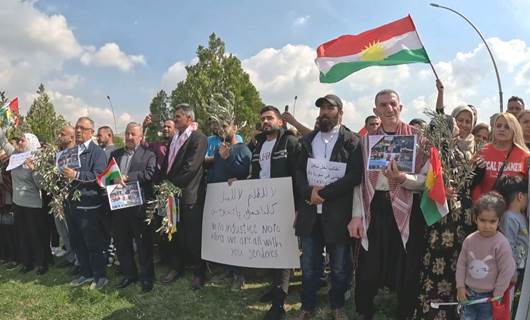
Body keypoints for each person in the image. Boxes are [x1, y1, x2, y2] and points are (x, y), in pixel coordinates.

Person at [349, 89, 428, 320]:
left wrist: (404, 179)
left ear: (401, 107)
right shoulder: (365, 143)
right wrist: (356, 215)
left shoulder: (419, 140)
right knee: (368, 262)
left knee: (406, 262)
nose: (388, 108)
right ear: (375, 111)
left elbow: (428, 180)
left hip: (407, 206)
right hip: (374, 205)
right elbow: (359, 182)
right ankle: (365, 309)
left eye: (393, 104)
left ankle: (404, 311)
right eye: (383, 105)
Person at [294, 94, 363, 320]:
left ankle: (337, 305)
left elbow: (354, 176)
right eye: (322, 108)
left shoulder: (352, 141)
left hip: (337, 216)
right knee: (310, 265)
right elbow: (298, 173)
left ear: (340, 113)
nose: (324, 112)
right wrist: (308, 193)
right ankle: (307, 305)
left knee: (340, 267)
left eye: (329, 108)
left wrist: (323, 193)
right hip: (310, 214)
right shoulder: (306, 141)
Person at [250, 105, 298, 320]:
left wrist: (298, 206)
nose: (266, 121)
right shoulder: (258, 144)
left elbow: (299, 175)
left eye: (270, 118)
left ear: (280, 121)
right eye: (263, 118)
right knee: (269, 247)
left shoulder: (290, 142)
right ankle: (275, 287)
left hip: (286, 204)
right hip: (263, 205)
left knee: (283, 252)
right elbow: (255, 173)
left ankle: (279, 304)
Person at [160, 103, 208, 289]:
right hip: (173, 194)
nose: (174, 119)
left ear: (189, 119)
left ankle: (199, 272)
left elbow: (191, 167)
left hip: (190, 195)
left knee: (193, 237)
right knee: (175, 234)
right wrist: (164, 181)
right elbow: (169, 163)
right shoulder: (175, 138)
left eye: (178, 116)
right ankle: (177, 267)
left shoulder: (198, 138)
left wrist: (170, 184)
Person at [110, 122, 156, 293]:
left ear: (140, 136)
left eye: (132, 134)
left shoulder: (148, 155)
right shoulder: (115, 154)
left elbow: (149, 174)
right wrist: (112, 178)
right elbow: (107, 175)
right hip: (119, 207)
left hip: (139, 208)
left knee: (143, 244)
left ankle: (146, 277)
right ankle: (129, 274)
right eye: (127, 134)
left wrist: (127, 177)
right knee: (122, 244)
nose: (128, 137)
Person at [64, 117, 108, 289]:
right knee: (77, 242)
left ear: (91, 131)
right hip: (72, 205)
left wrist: (76, 175)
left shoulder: (97, 152)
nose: (78, 131)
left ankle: (100, 276)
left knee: (93, 243)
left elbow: (99, 176)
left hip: (89, 206)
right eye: (76, 127)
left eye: (82, 128)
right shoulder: (72, 151)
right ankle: (86, 273)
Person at [456, 192, 516, 320]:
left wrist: (498, 293)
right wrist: (460, 287)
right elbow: (461, 265)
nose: (487, 225)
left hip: (489, 298)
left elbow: (507, 270)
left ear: (499, 221)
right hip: (468, 294)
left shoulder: (501, 243)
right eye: (482, 220)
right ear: (475, 218)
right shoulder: (469, 240)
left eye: (492, 221)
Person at [207, 121, 251, 291]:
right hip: (219, 201)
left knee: (236, 238)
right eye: (219, 127)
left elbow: (244, 174)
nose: (221, 129)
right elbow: (217, 171)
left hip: (236, 203)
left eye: (225, 126)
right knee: (224, 237)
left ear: (236, 128)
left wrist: (229, 159)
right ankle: (228, 269)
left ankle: (239, 275)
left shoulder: (244, 149)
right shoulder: (220, 150)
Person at [0, 130, 49, 275]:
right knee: (22, 234)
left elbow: (42, 185)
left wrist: (34, 170)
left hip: (33, 204)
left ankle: (41, 263)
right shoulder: (15, 155)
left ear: (31, 143)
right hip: (18, 203)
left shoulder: (37, 158)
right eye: (19, 140)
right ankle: (27, 262)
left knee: (35, 234)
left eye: (23, 140)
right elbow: (3, 140)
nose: (20, 143)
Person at [472, 113, 530, 202]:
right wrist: (479, 204)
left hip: (513, 213)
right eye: (498, 126)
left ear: (515, 130)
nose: (502, 129)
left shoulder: (525, 155)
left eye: (507, 127)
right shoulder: (482, 151)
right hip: (486, 210)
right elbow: (473, 183)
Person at [495, 175, 528, 310]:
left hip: (522, 267)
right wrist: (512, 272)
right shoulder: (509, 217)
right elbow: (509, 245)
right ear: (520, 196)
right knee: (509, 302)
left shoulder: (521, 216)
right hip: (515, 270)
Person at [53, 126, 78, 270]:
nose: (59, 135)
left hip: (72, 197)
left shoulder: (77, 153)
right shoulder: (58, 153)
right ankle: (70, 256)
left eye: (62, 134)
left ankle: (78, 259)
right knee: (62, 230)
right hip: (58, 198)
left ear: (71, 137)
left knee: (72, 230)